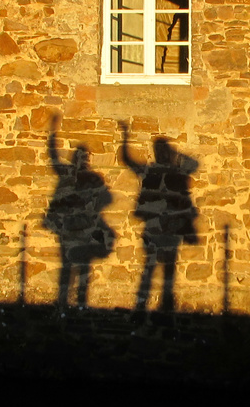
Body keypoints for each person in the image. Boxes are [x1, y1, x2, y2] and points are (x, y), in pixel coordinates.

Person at [119, 121, 199, 315]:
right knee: (151, 264)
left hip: (172, 225)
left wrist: (174, 155)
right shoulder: (152, 170)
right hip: (154, 226)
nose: (161, 154)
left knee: (166, 265)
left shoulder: (176, 170)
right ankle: (144, 302)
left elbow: (195, 163)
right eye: (160, 151)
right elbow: (128, 160)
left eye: (163, 151)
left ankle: (164, 302)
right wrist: (125, 136)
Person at [43, 116, 115, 308]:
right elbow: (54, 158)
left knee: (82, 264)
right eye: (79, 157)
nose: (82, 160)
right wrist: (52, 133)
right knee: (67, 263)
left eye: (84, 157)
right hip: (68, 225)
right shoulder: (68, 172)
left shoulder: (93, 178)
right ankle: (63, 300)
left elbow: (107, 198)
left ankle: (80, 301)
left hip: (85, 224)